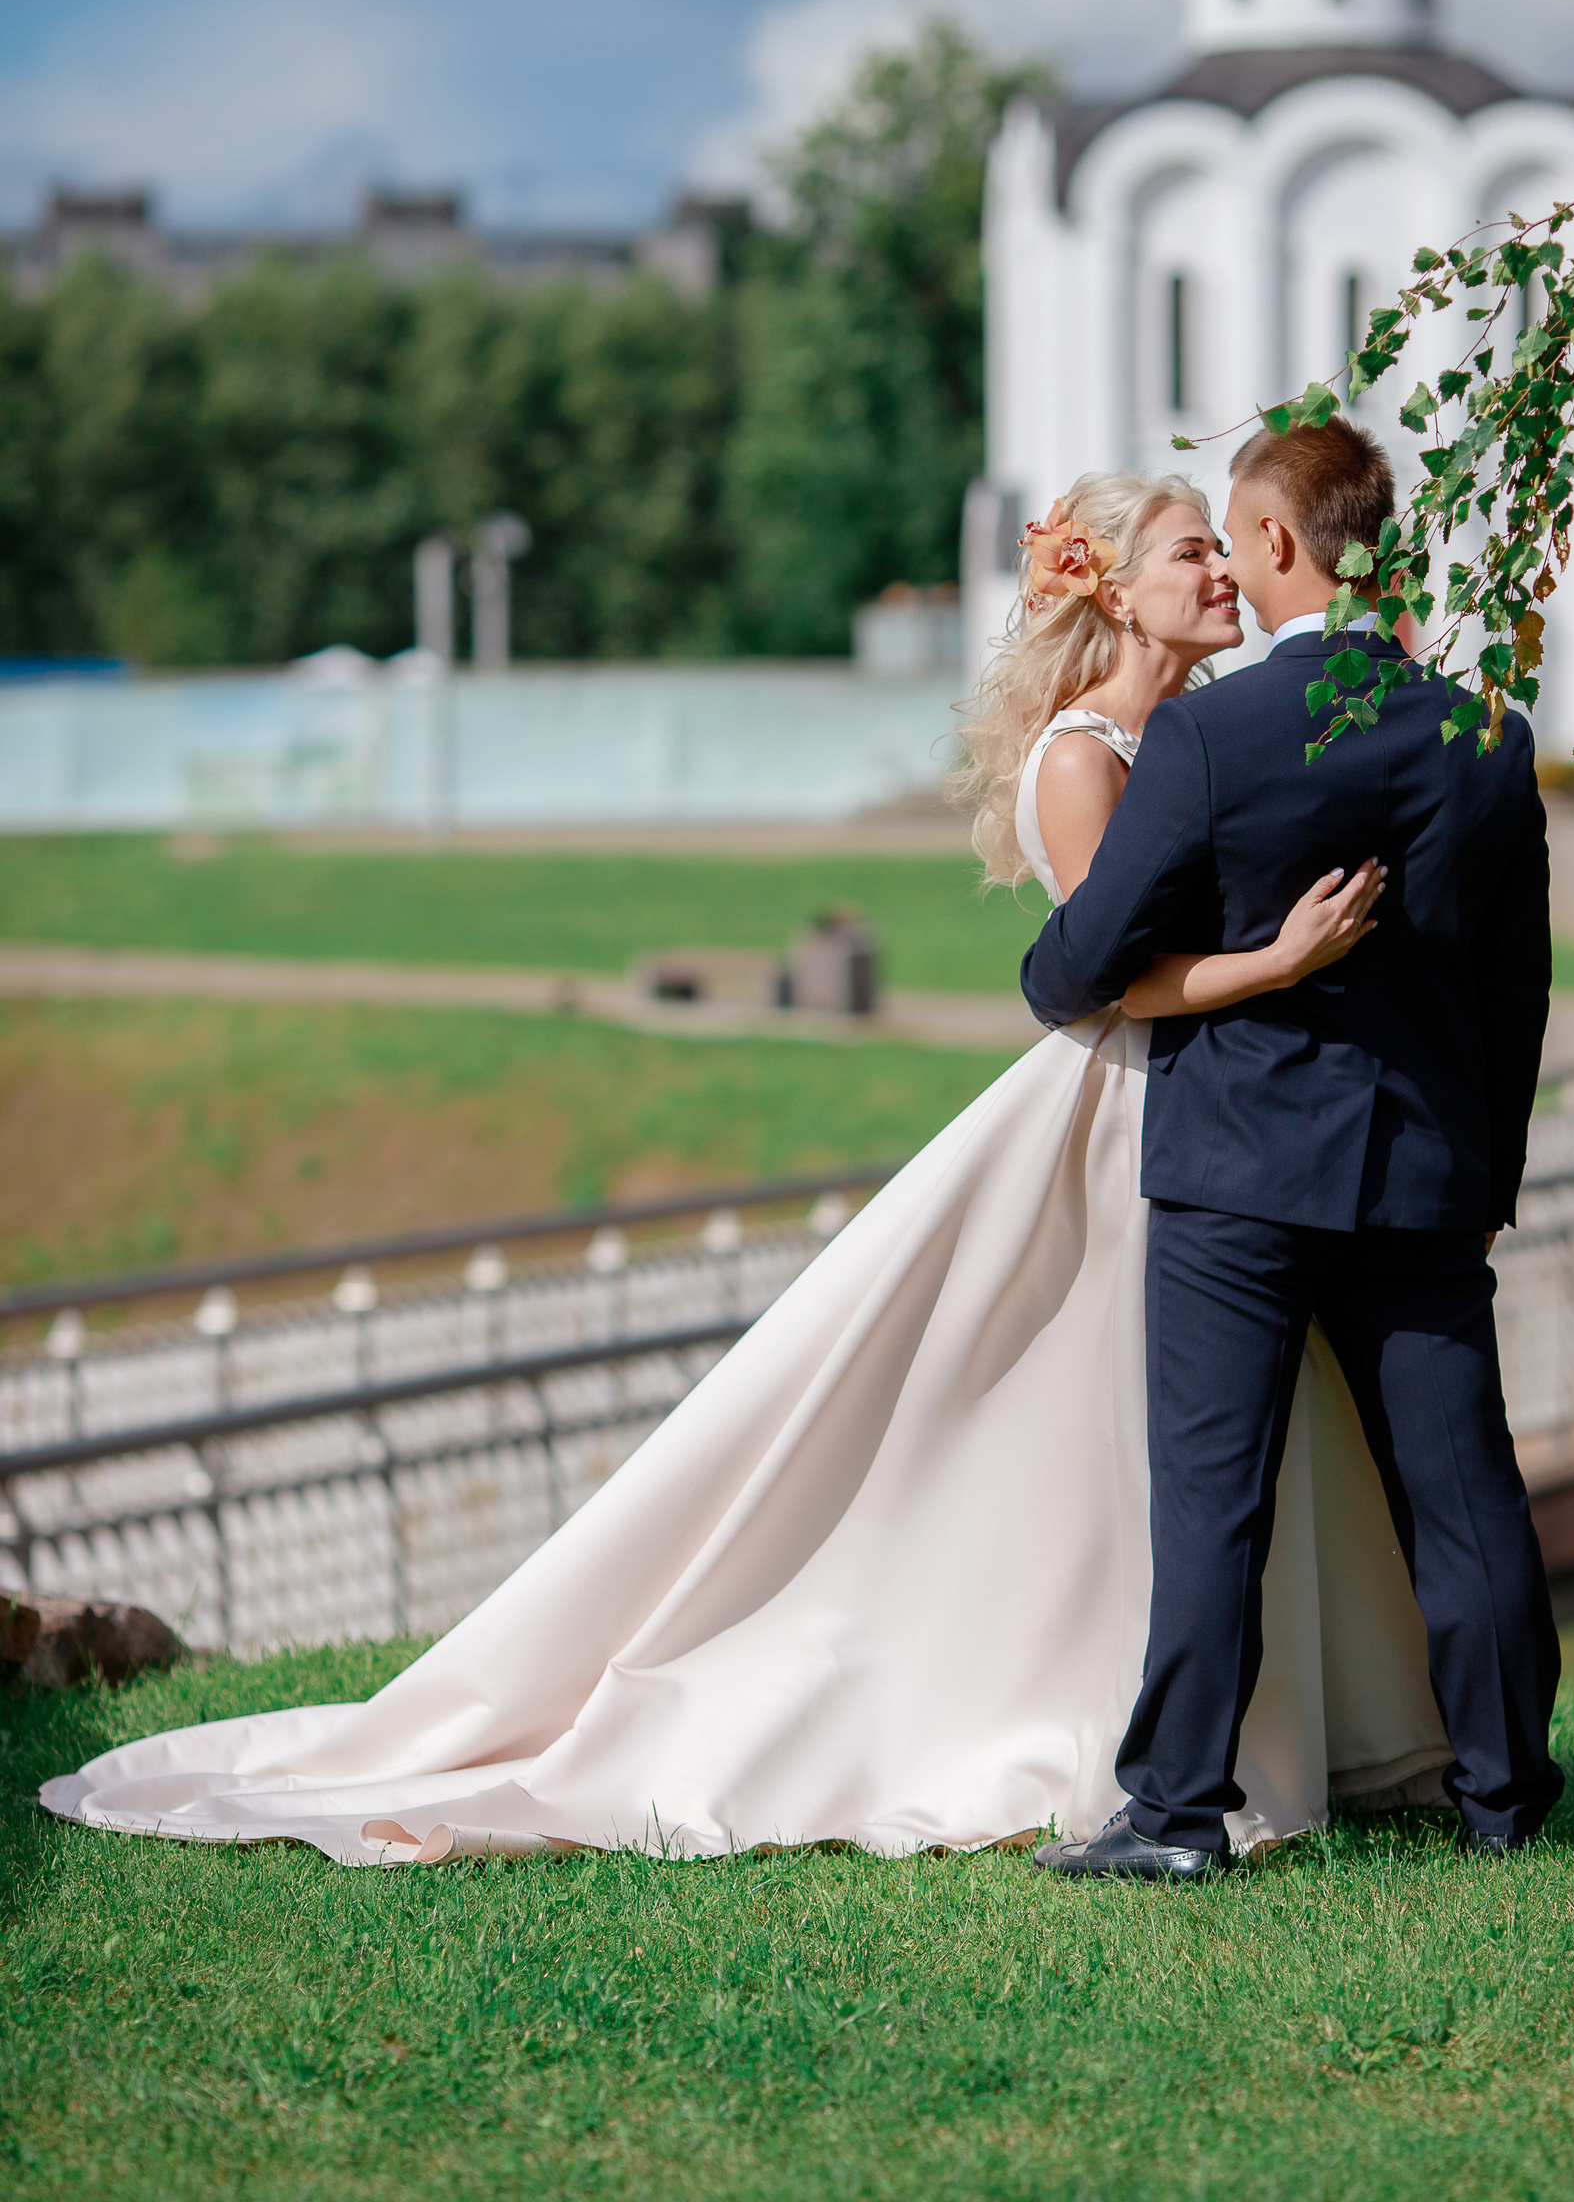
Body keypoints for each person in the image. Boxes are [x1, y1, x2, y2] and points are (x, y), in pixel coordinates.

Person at [42, 469, 1451, 1869]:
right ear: (1120, 591)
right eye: (1194, 552)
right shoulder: (1085, 759)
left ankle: (1264, 1733)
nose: (1224, 573)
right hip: (1127, 1111)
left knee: (1205, 1436)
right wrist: (1279, 962)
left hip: (1207, 1113)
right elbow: (1108, 975)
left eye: (1221, 549)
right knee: (1109, 1438)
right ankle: (1098, 1734)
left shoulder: (1196, 733)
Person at [1024, 419, 1561, 1886]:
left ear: (1275, 540)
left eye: (1232, 534)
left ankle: (1176, 1817)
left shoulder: (1211, 737)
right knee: (1465, 1497)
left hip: (1235, 1179)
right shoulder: (1489, 737)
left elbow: (1081, 963)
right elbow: (1516, 991)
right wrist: (1486, 1178)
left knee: (1215, 1502)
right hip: (1425, 1179)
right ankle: (1508, 1801)